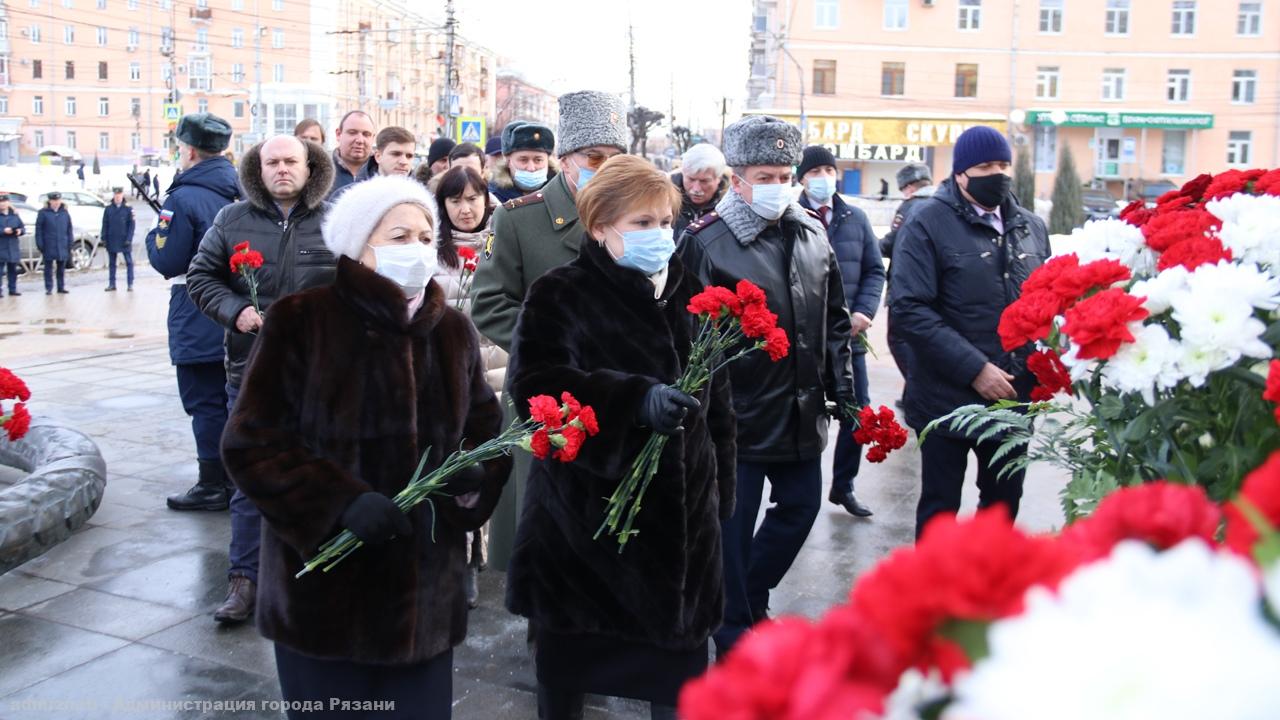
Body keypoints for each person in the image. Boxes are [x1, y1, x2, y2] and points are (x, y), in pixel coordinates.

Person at [222, 174, 510, 720]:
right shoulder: (302, 320)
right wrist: (338, 503)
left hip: (422, 603)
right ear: (360, 246)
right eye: (400, 236)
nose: (419, 249)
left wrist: (474, 478)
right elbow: (252, 442)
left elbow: (486, 430)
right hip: (326, 601)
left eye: (428, 237)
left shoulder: (450, 330)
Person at [506, 154, 735, 720]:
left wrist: (719, 494)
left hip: (679, 536)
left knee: (676, 685)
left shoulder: (694, 294)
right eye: (641, 223)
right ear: (600, 226)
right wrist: (632, 402)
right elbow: (536, 390)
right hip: (585, 532)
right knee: (568, 677)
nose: (659, 235)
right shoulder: (560, 292)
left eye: (664, 222)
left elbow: (721, 408)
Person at [678, 115, 855, 656]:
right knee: (731, 531)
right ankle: (731, 628)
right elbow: (685, 336)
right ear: (737, 179)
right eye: (766, 175)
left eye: (785, 175)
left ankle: (751, 594)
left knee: (801, 509)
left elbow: (835, 321)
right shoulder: (707, 243)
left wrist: (843, 391)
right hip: (738, 416)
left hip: (801, 411)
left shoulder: (812, 232)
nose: (779, 186)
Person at [471, 89, 628, 572]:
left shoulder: (632, 216)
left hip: (615, 393)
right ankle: (544, 630)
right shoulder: (521, 219)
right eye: (593, 157)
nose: (604, 168)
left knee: (607, 524)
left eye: (615, 159)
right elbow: (489, 302)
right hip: (547, 395)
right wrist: (555, 343)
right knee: (545, 530)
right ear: (566, 159)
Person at [187, 134, 338, 625]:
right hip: (250, 372)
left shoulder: (335, 219)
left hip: (318, 375)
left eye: (290, 161)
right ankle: (244, 578)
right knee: (250, 478)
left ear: (309, 165)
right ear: (258, 168)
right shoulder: (233, 219)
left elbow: (361, 282)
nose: (281, 170)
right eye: (272, 162)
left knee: (319, 474)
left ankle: (313, 573)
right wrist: (238, 312)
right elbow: (201, 276)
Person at [888, 126, 1050, 538]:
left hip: (1013, 394)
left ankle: (984, 591)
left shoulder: (1030, 227)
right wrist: (975, 369)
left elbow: (1044, 301)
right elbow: (910, 309)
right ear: (961, 173)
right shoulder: (926, 224)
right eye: (984, 166)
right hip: (947, 396)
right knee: (941, 507)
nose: (996, 173)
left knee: (1002, 505)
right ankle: (933, 598)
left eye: (1002, 165)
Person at [146, 114, 240, 517]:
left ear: (188, 150)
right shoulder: (242, 192)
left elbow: (167, 259)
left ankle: (211, 483)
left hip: (196, 307)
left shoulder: (182, 198)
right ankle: (236, 478)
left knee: (203, 400)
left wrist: (154, 236)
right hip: (237, 308)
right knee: (232, 397)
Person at [796, 146, 885, 518]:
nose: (823, 177)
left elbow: (874, 270)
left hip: (849, 340)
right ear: (801, 178)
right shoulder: (791, 217)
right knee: (805, 414)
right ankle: (802, 491)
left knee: (855, 412)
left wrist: (863, 312)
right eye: (814, 171)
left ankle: (844, 484)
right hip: (806, 341)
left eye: (829, 169)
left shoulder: (855, 218)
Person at [433, 164, 504, 609]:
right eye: (455, 200)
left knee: (488, 467)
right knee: (453, 469)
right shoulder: (428, 250)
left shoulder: (501, 245)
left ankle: (481, 559)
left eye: (473, 198)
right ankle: (458, 562)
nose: (465, 208)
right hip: (446, 377)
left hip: (495, 375)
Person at [879, 163, 935, 409]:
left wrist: (870, 244)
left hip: (905, 286)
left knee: (898, 339)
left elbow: (892, 244)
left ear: (909, 187)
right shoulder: (942, 206)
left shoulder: (910, 206)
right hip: (934, 288)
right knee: (923, 340)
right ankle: (913, 392)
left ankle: (917, 389)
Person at [488, 121, 557, 203]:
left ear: (548, 160)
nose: (531, 168)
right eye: (523, 160)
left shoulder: (562, 193)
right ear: (508, 161)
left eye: (538, 160)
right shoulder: (493, 197)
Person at [672, 143, 729, 235]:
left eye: (704, 181)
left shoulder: (731, 208)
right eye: (691, 179)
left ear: (719, 178)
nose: (696, 189)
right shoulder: (664, 201)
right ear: (683, 173)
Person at [330, 110, 377, 194]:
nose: (360, 140)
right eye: (352, 133)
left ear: (373, 138)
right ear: (338, 134)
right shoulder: (321, 174)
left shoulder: (383, 173)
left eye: (366, 134)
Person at [36, 192, 74, 295]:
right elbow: (39, 230)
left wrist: (70, 242)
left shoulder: (64, 213)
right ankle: (49, 288)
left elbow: (69, 229)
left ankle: (61, 287)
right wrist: (40, 244)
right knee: (48, 268)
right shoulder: (43, 213)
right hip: (49, 244)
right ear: (50, 201)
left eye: (58, 200)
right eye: (54, 201)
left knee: (61, 268)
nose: (56, 202)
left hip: (62, 244)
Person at [101, 187, 137, 292]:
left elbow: (132, 226)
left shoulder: (128, 208)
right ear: (114, 195)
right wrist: (104, 238)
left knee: (129, 263)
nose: (117, 197)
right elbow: (105, 224)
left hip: (124, 240)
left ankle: (130, 284)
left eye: (119, 194)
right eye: (116, 195)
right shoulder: (108, 209)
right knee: (112, 263)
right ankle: (112, 284)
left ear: (122, 195)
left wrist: (129, 239)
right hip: (112, 239)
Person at [0, 194, 25, 297]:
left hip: (12, 246)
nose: (3, 204)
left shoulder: (14, 214)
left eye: (4, 202)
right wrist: (3, 231)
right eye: (1, 202)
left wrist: (20, 231)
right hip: (1, 246)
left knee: (12, 270)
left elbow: (22, 227)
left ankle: (13, 289)